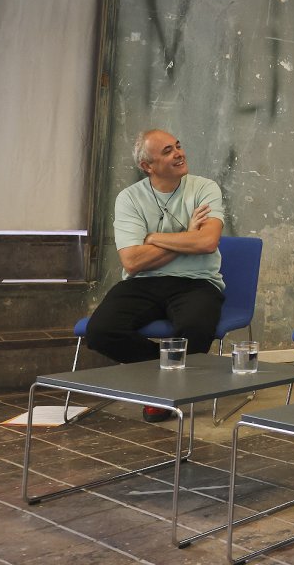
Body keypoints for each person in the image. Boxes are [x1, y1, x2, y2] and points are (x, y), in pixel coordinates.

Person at [85, 129, 225, 422]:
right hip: (143, 282)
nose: (178, 153)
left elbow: (206, 242)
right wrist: (187, 234)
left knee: (196, 327)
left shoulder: (204, 188)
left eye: (178, 145)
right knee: (100, 331)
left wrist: (153, 238)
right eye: (167, 151)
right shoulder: (129, 199)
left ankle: (161, 394)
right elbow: (133, 261)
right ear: (147, 166)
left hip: (197, 281)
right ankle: (167, 379)